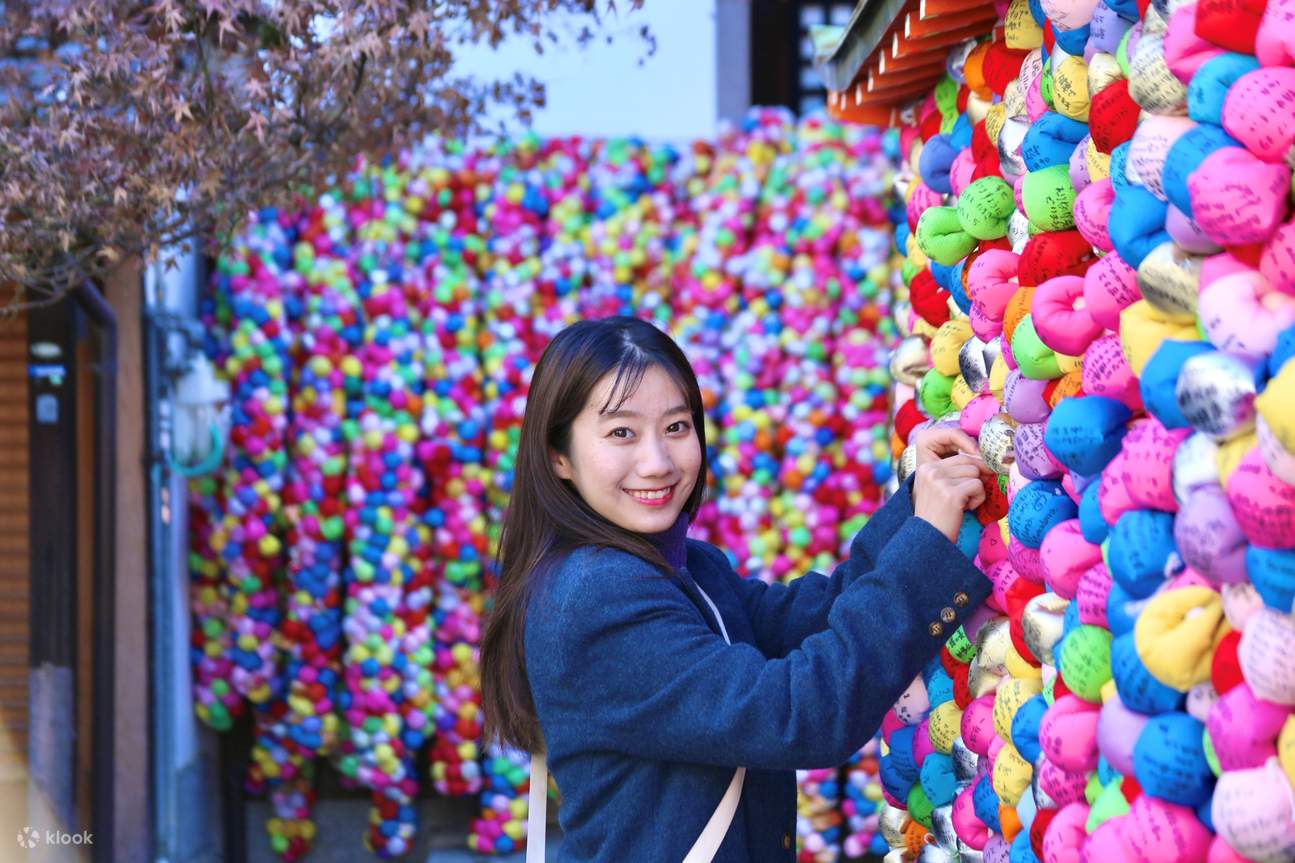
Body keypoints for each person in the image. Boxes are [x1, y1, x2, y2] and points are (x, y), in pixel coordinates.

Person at [480, 316, 994, 862]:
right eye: (621, 433)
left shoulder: (683, 566)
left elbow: (817, 615)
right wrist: (927, 544)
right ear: (558, 455)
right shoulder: (595, 596)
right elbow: (801, 713)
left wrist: (918, 507)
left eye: (676, 427)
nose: (656, 462)